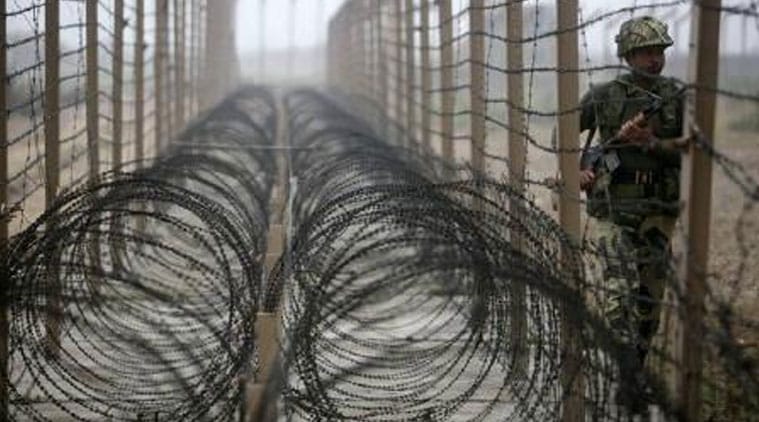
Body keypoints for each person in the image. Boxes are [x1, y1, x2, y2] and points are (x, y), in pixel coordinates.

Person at [578, 15, 688, 411]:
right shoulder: (605, 95)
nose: (654, 60)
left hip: (657, 212)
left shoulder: (676, 95)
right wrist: (580, 168)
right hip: (612, 209)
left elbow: (692, 148)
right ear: (628, 55)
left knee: (648, 306)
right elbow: (563, 131)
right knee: (617, 295)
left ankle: (633, 372)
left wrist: (652, 142)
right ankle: (624, 373)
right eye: (645, 52)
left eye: (659, 51)